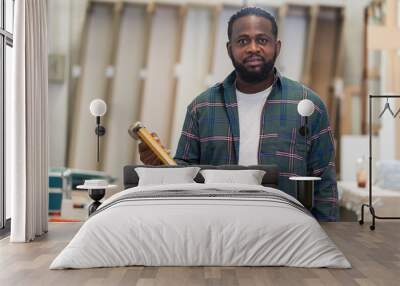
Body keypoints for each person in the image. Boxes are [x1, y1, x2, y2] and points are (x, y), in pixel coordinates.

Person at [139, 7, 337, 221]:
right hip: (216, 229)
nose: (253, 48)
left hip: (288, 233)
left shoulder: (309, 105)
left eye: (262, 40)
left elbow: (324, 182)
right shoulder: (202, 108)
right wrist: (160, 163)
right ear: (229, 49)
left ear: (277, 46)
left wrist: (327, 235)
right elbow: (185, 176)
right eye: (243, 41)